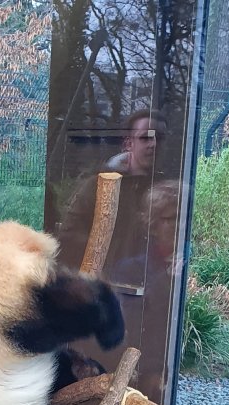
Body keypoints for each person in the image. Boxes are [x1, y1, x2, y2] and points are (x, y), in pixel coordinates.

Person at [57, 108, 168, 279]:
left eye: (159, 138)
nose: (153, 144)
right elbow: (68, 238)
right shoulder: (98, 186)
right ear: (128, 143)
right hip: (106, 287)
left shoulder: (168, 191)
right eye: (145, 137)